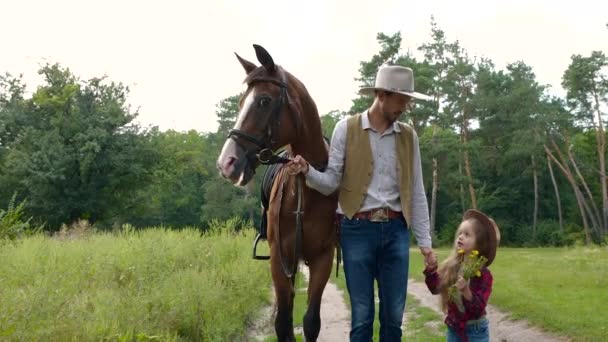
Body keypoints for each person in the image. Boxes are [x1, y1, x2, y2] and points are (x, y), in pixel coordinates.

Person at [286, 64, 436, 341]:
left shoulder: (408, 137)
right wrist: (307, 171)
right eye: (401, 99)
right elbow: (331, 182)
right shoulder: (347, 128)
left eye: (407, 100)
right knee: (362, 316)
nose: (404, 106)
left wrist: (425, 243)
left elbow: (416, 191)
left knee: (393, 317)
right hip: (357, 230)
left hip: (396, 231)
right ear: (381, 94)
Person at [423, 209, 501, 342]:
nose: (460, 237)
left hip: (476, 331)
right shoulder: (452, 266)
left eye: (467, 234)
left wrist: (466, 291)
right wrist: (431, 269)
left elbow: (478, 309)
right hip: (454, 329)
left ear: (479, 243)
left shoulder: (483, 274)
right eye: (460, 233)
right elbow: (435, 288)